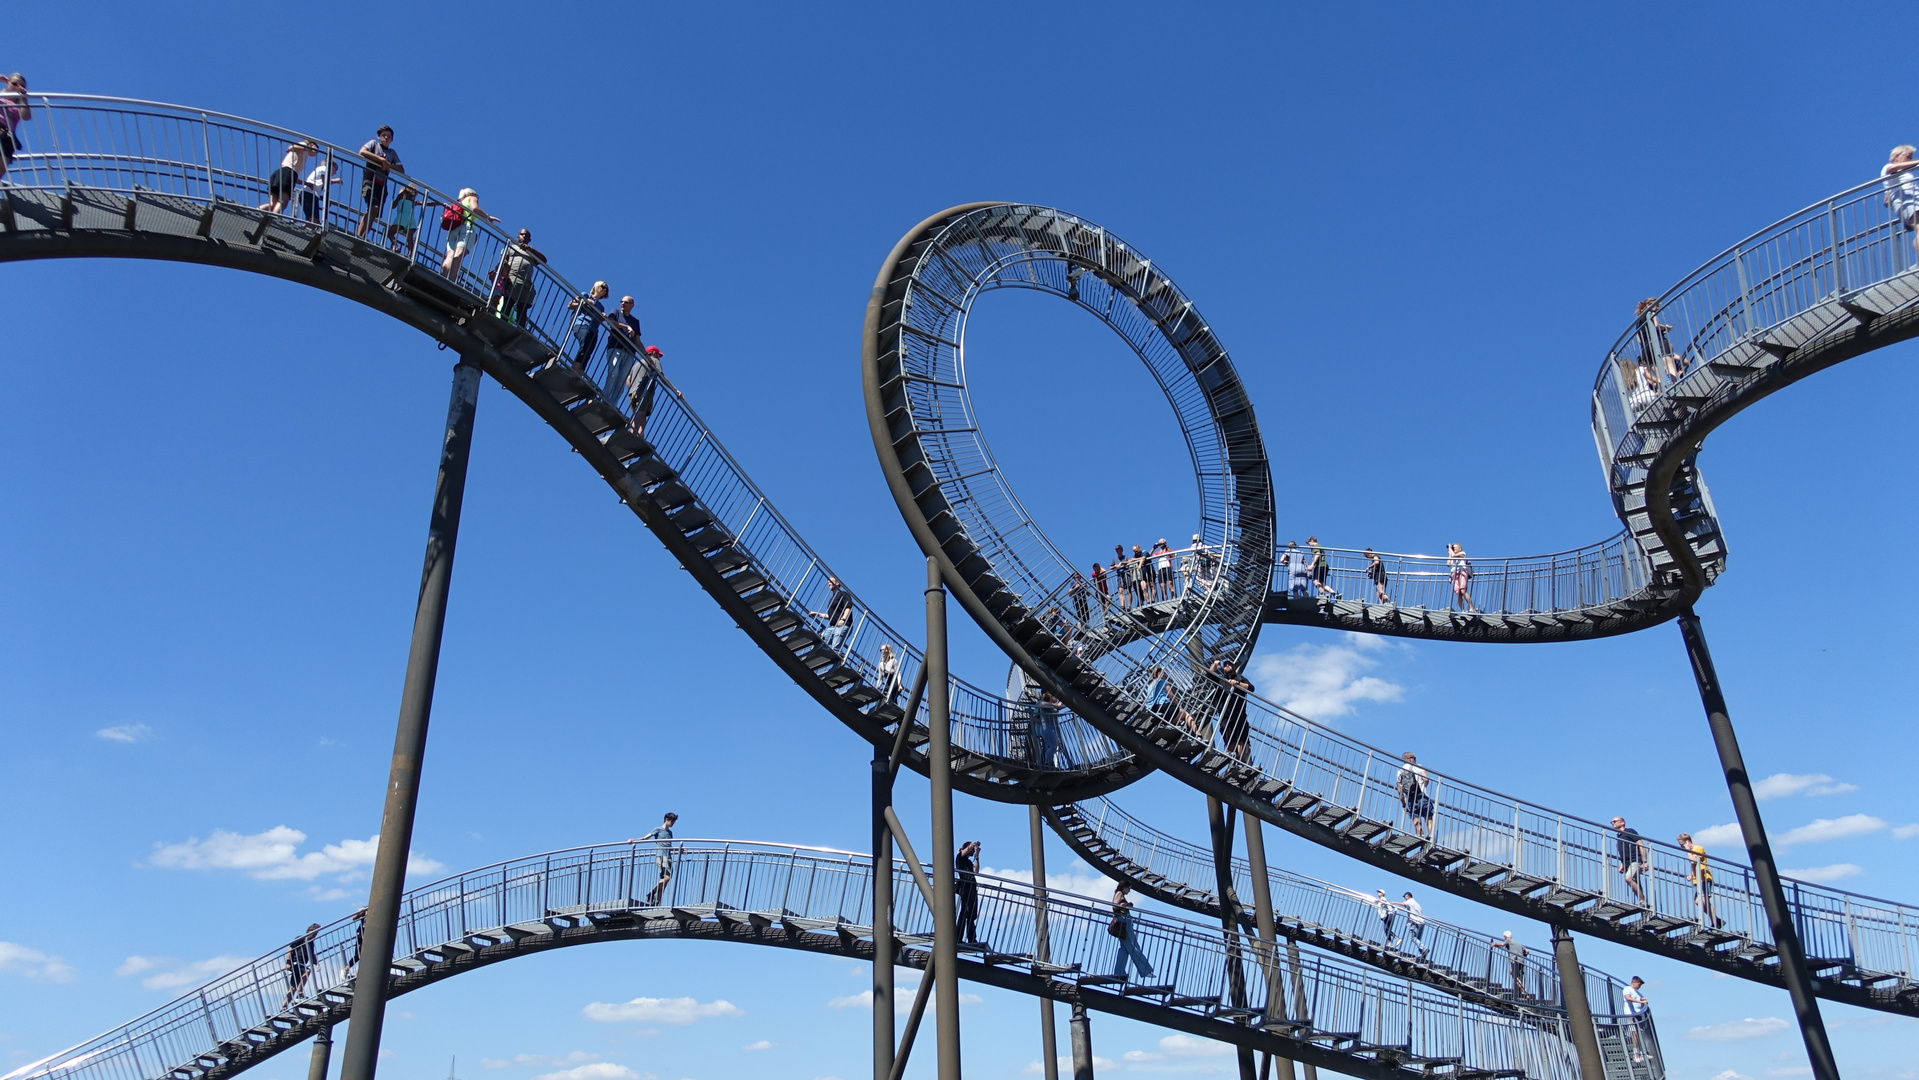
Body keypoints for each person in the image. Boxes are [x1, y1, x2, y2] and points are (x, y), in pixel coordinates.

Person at [441, 188, 499, 283]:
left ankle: (444, 275)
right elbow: (474, 208)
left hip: (453, 229)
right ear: (471, 193)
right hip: (466, 228)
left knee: (450, 255)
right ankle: (451, 279)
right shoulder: (471, 197)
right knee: (458, 254)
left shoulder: (459, 202)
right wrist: (488, 217)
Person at [354, 126, 402, 239]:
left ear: (392, 139)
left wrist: (388, 165)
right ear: (379, 136)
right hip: (370, 180)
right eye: (384, 135)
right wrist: (380, 160)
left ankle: (363, 236)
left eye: (389, 136)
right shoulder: (373, 144)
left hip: (381, 185)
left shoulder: (392, 152)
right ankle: (359, 235)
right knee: (373, 207)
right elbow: (362, 151)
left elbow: (401, 169)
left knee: (374, 212)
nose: (386, 137)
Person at [492, 229, 545, 327]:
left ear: (530, 239)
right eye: (522, 234)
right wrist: (504, 276)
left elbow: (544, 260)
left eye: (527, 235)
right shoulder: (511, 248)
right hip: (512, 278)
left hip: (526, 283)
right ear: (517, 236)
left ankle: (520, 329)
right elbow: (503, 262)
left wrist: (530, 249)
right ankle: (502, 325)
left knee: (523, 308)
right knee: (508, 303)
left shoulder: (531, 252)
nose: (524, 236)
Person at [625, 344, 679, 439]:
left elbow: (628, 378)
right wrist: (676, 390)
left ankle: (640, 438)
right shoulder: (654, 361)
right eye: (659, 355)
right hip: (645, 392)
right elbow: (662, 378)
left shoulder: (637, 363)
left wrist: (631, 389)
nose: (659, 358)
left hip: (633, 393)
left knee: (642, 417)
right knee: (640, 415)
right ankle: (632, 436)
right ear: (654, 353)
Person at [629, 812, 679, 906]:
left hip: (668, 857)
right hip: (661, 857)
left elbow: (669, 846)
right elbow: (645, 837)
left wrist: (680, 850)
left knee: (664, 882)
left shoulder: (670, 833)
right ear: (667, 819)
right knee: (667, 878)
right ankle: (651, 894)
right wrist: (633, 840)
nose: (673, 824)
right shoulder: (658, 829)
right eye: (672, 821)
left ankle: (657, 903)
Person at [1633, 298, 1686, 384]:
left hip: (1646, 350)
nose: (1658, 308)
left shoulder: (1638, 322)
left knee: (1660, 375)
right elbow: (1656, 326)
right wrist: (1666, 328)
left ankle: (1666, 392)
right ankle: (1678, 386)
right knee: (1670, 366)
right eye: (1656, 305)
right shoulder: (1651, 313)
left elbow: (1639, 341)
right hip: (1659, 343)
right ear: (1648, 305)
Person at [1678, 831, 1724, 929]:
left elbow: (1693, 861)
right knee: (1697, 902)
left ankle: (1715, 923)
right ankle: (1717, 920)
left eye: (1682, 844)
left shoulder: (1698, 848)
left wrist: (1687, 850)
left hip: (1704, 878)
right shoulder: (1691, 852)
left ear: (1688, 841)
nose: (1681, 847)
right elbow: (1693, 865)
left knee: (1704, 901)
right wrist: (1691, 875)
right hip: (1696, 880)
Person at [1109, 882, 1154, 979]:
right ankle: (1146, 970)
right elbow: (1115, 906)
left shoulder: (1120, 894)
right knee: (1134, 947)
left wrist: (1126, 905)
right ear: (1124, 887)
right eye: (1129, 888)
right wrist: (1125, 904)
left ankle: (1119, 972)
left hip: (1123, 921)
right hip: (1124, 921)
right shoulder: (1119, 893)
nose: (1129, 890)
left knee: (1124, 949)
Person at [262, 139, 319, 216]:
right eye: (316, 150)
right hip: (288, 172)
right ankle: (272, 218)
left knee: (273, 204)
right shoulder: (305, 146)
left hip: (282, 172)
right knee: (283, 202)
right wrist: (308, 148)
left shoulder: (304, 154)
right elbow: (291, 147)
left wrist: (306, 183)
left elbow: (293, 176)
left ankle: (258, 210)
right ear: (312, 144)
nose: (316, 152)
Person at [1883, 145, 1919, 261]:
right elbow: (1892, 169)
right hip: (1907, 201)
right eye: (1908, 156)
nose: (1911, 160)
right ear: (1897, 156)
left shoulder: (1902, 172)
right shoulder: (1888, 167)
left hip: (1912, 200)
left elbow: (1886, 200)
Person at [1211, 660, 1253, 758]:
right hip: (1225, 713)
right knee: (1228, 735)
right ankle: (1232, 758)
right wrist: (1215, 665)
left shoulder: (1240, 678)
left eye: (1229, 664)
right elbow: (1210, 674)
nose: (1227, 665)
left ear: (1233, 667)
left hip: (1239, 714)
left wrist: (1237, 684)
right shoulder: (1221, 680)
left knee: (1241, 738)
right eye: (1225, 665)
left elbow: (1251, 688)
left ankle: (1241, 761)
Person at [567, 281, 611, 369]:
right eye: (603, 287)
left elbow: (598, 320)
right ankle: (575, 369)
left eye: (606, 289)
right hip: (582, 323)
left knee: (589, 350)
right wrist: (585, 302)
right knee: (585, 344)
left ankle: (580, 372)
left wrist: (603, 318)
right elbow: (570, 305)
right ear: (596, 286)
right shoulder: (586, 295)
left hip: (594, 329)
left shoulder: (601, 307)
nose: (604, 290)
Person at [1611, 816, 1649, 907]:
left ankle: (1643, 900)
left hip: (1635, 860)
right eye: (1611, 822)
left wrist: (1644, 861)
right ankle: (1643, 904)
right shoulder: (1619, 837)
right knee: (1635, 882)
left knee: (1628, 878)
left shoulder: (1630, 831)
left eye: (1614, 821)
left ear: (1622, 822)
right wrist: (1622, 863)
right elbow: (1624, 852)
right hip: (1628, 863)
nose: (1612, 823)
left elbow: (1641, 845)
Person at [1395, 751, 1435, 837]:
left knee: (1415, 817)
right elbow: (1426, 779)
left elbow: (1399, 790)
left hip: (1410, 798)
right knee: (1428, 817)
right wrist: (1425, 786)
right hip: (1422, 795)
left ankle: (1420, 835)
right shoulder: (1418, 767)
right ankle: (1431, 837)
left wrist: (1404, 804)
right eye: (1414, 758)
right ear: (1410, 759)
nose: (1415, 759)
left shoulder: (1400, 770)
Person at [0, 73, 30, 182]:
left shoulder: (18, 104)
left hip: (8, 135)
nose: (17, 86)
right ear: (8, 83)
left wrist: (23, 98)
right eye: (14, 84)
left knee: (3, 163)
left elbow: (26, 116)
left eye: (21, 85)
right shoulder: (1, 95)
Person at [282, 923, 320, 1008]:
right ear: (310, 931)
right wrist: (288, 963)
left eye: (317, 934)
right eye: (315, 933)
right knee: (307, 971)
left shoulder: (311, 942)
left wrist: (317, 964)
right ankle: (300, 993)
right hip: (296, 963)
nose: (315, 935)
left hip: (302, 964)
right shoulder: (301, 938)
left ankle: (284, 1006)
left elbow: (312, 955)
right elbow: (289, 950)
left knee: (293, 987)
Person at [299, 153, 339, 223]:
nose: (334, 173)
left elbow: (319, 185)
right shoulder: (324, 168)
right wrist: (336, 181)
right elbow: (325, 181)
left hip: (309, 195)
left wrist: (322, 198)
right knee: (314, 220)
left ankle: (308, 229)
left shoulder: (320, 170)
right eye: (335, 169)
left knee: (313, 219)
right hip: (309, 195)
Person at [955, 840, 982, 942]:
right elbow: (966, 850)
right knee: (965, 912)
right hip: (965, 887)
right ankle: (960, 937)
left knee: (971, 913)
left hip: (971, 887)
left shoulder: (968, 862)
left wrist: (977, 856)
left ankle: (971, 937)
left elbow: (976, 871)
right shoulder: (960, 857)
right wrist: (974, 845)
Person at [386, 185, 422, 253]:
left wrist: (398, 197)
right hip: (411, 220)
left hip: (401, 218)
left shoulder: (401, 196)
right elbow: (425, 203)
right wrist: (439, 204)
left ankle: (395, 246)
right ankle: (410, 254)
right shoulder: (413, 201)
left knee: (390, 233)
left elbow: (393, 205)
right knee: (409, 238)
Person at [1623, 975, 1651, 1061]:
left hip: (1638, 1014)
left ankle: (1641, 1052)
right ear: (1634, 983)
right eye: (1638, 985)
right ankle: (1636, 1054)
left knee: (1640, 1032)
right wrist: (1640, 1001)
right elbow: (1628, 998)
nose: (1639, 987)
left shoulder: (1637, 993)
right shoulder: (1627, 989)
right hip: (1630, 1014)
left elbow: (1641, 1004)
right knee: (1634, 1032)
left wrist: (1643, 1002)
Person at [1033, 692, 1063, 769]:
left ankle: (1049, 763)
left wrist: (1060, 703)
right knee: (1054, 745)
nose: (1057, 699)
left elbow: (1062, 705)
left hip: (1053, 729)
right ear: (1051, 697)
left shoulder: (1053, 706)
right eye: (1055, 697)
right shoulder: (1044, 703)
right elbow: (1041, 704)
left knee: (1052, 746)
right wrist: (1054, 705)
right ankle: (1046, 760)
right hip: (1046, 728)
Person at [1446, 543, 1477, 612]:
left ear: (1460, 549)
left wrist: (1450, 549)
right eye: (1453, 548)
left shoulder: (1462, 553)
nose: (1454, 549)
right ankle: (1462, 610)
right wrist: (1449, 554)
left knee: (1463, 590)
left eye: (1455, 547)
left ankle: (1472, 607)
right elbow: (1448, 563)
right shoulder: (1452, 555)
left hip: (1462, 572)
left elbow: (1454, 555)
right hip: (1454, 573)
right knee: (1457, 592)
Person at [1495, 931, 1527, 998]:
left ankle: (1524, 992)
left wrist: (1494, 944)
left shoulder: (1508, 940)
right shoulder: (1518, 943)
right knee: (1516, 974)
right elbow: (1527, 951)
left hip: (1514, 960)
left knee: (1514, 975)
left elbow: (1503, 944)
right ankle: (1519, 992)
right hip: (1521, 961)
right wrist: (1523, 954)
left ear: (1505, 936)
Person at [1308, 536, 1338, 600]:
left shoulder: (1315, 546)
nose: (1309, 545)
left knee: (1315, 581)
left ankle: (1323, 595)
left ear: (1312, 541)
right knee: (1322, 584)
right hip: (1325, 566)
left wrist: (1312, 565)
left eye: (1309, 543)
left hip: (1320, 565)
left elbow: (1317, 554)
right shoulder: (1320, 546)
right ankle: (1335, 594)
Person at [1400, 891, 1427, 958]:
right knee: (1417, 939)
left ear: (1407, 896)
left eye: (1405, 897)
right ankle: (1423, 954)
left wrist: (1393, 902)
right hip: (1421, 923)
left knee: (1412, 938)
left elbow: (1403, 904)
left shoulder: (1410, 901)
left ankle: (1424, 949)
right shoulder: (1416, 903)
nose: (1405, 898)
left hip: (1415, 922)